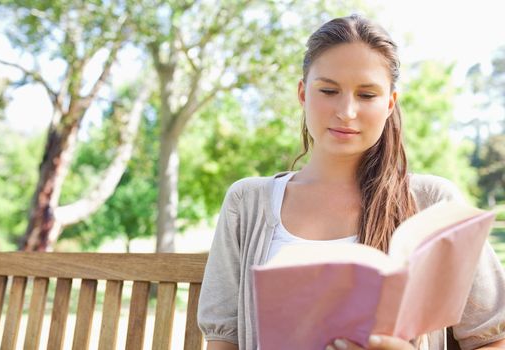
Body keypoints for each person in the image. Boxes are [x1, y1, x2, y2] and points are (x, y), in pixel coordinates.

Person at [197, 14, 505, 350]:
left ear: (390, 103)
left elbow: (493, 338)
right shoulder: (248, 202)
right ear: (302, 94)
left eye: (367, 95)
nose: (346, 111)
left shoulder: (434, 202)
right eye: (328, 90)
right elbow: (221, 340)